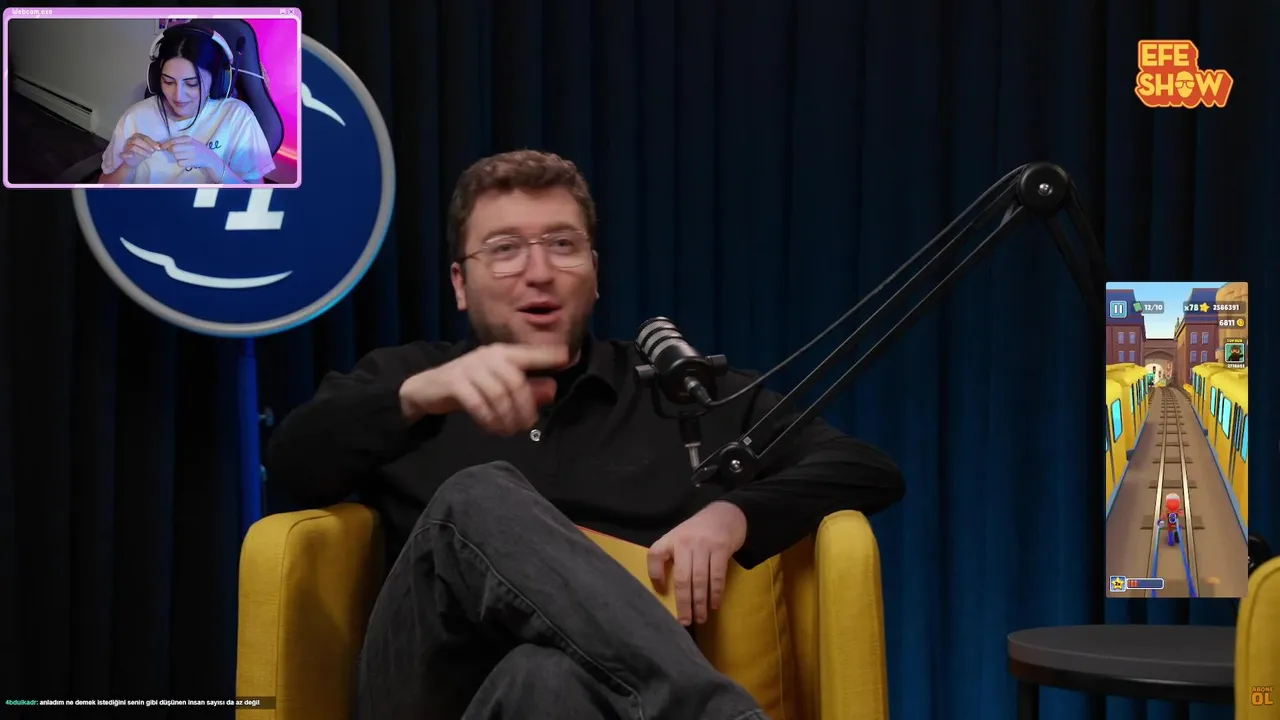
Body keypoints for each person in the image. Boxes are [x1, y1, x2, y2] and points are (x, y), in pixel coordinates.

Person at [266, 150, 905, 719]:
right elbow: (292, 466)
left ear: (594, 273)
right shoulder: (408, 379)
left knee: (547, 676)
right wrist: (417, 396)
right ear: (461, 283)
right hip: (427, 698)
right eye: (505, 249)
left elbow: (865, 467)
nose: (539, 271)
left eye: (563, 244)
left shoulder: (678, 396)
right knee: (473, 497)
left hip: (583, 707)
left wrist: (734, 515)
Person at [98, 24, 275, 185]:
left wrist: (212, 162)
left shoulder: (237, 117)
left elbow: (255, 196)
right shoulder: (134, 117)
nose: (178, 96)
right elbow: (103, 187)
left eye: (192, 84)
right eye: (168, 82)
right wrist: (128, 166)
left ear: (217, 80)